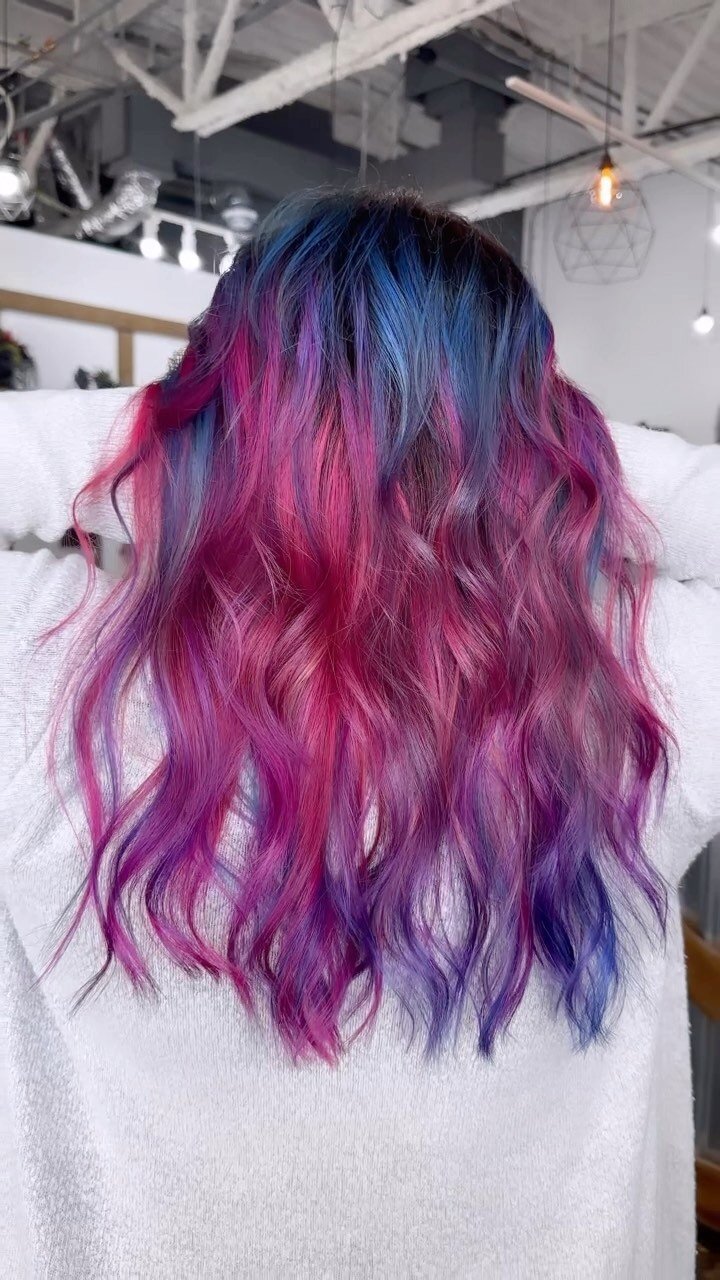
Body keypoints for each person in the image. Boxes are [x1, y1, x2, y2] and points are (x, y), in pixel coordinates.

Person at [1, 189, 719, 1280]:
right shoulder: (636, 678)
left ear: (212, 394)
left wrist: (164, 443)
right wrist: (555, 462)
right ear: (534, 422)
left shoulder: (50, 664)